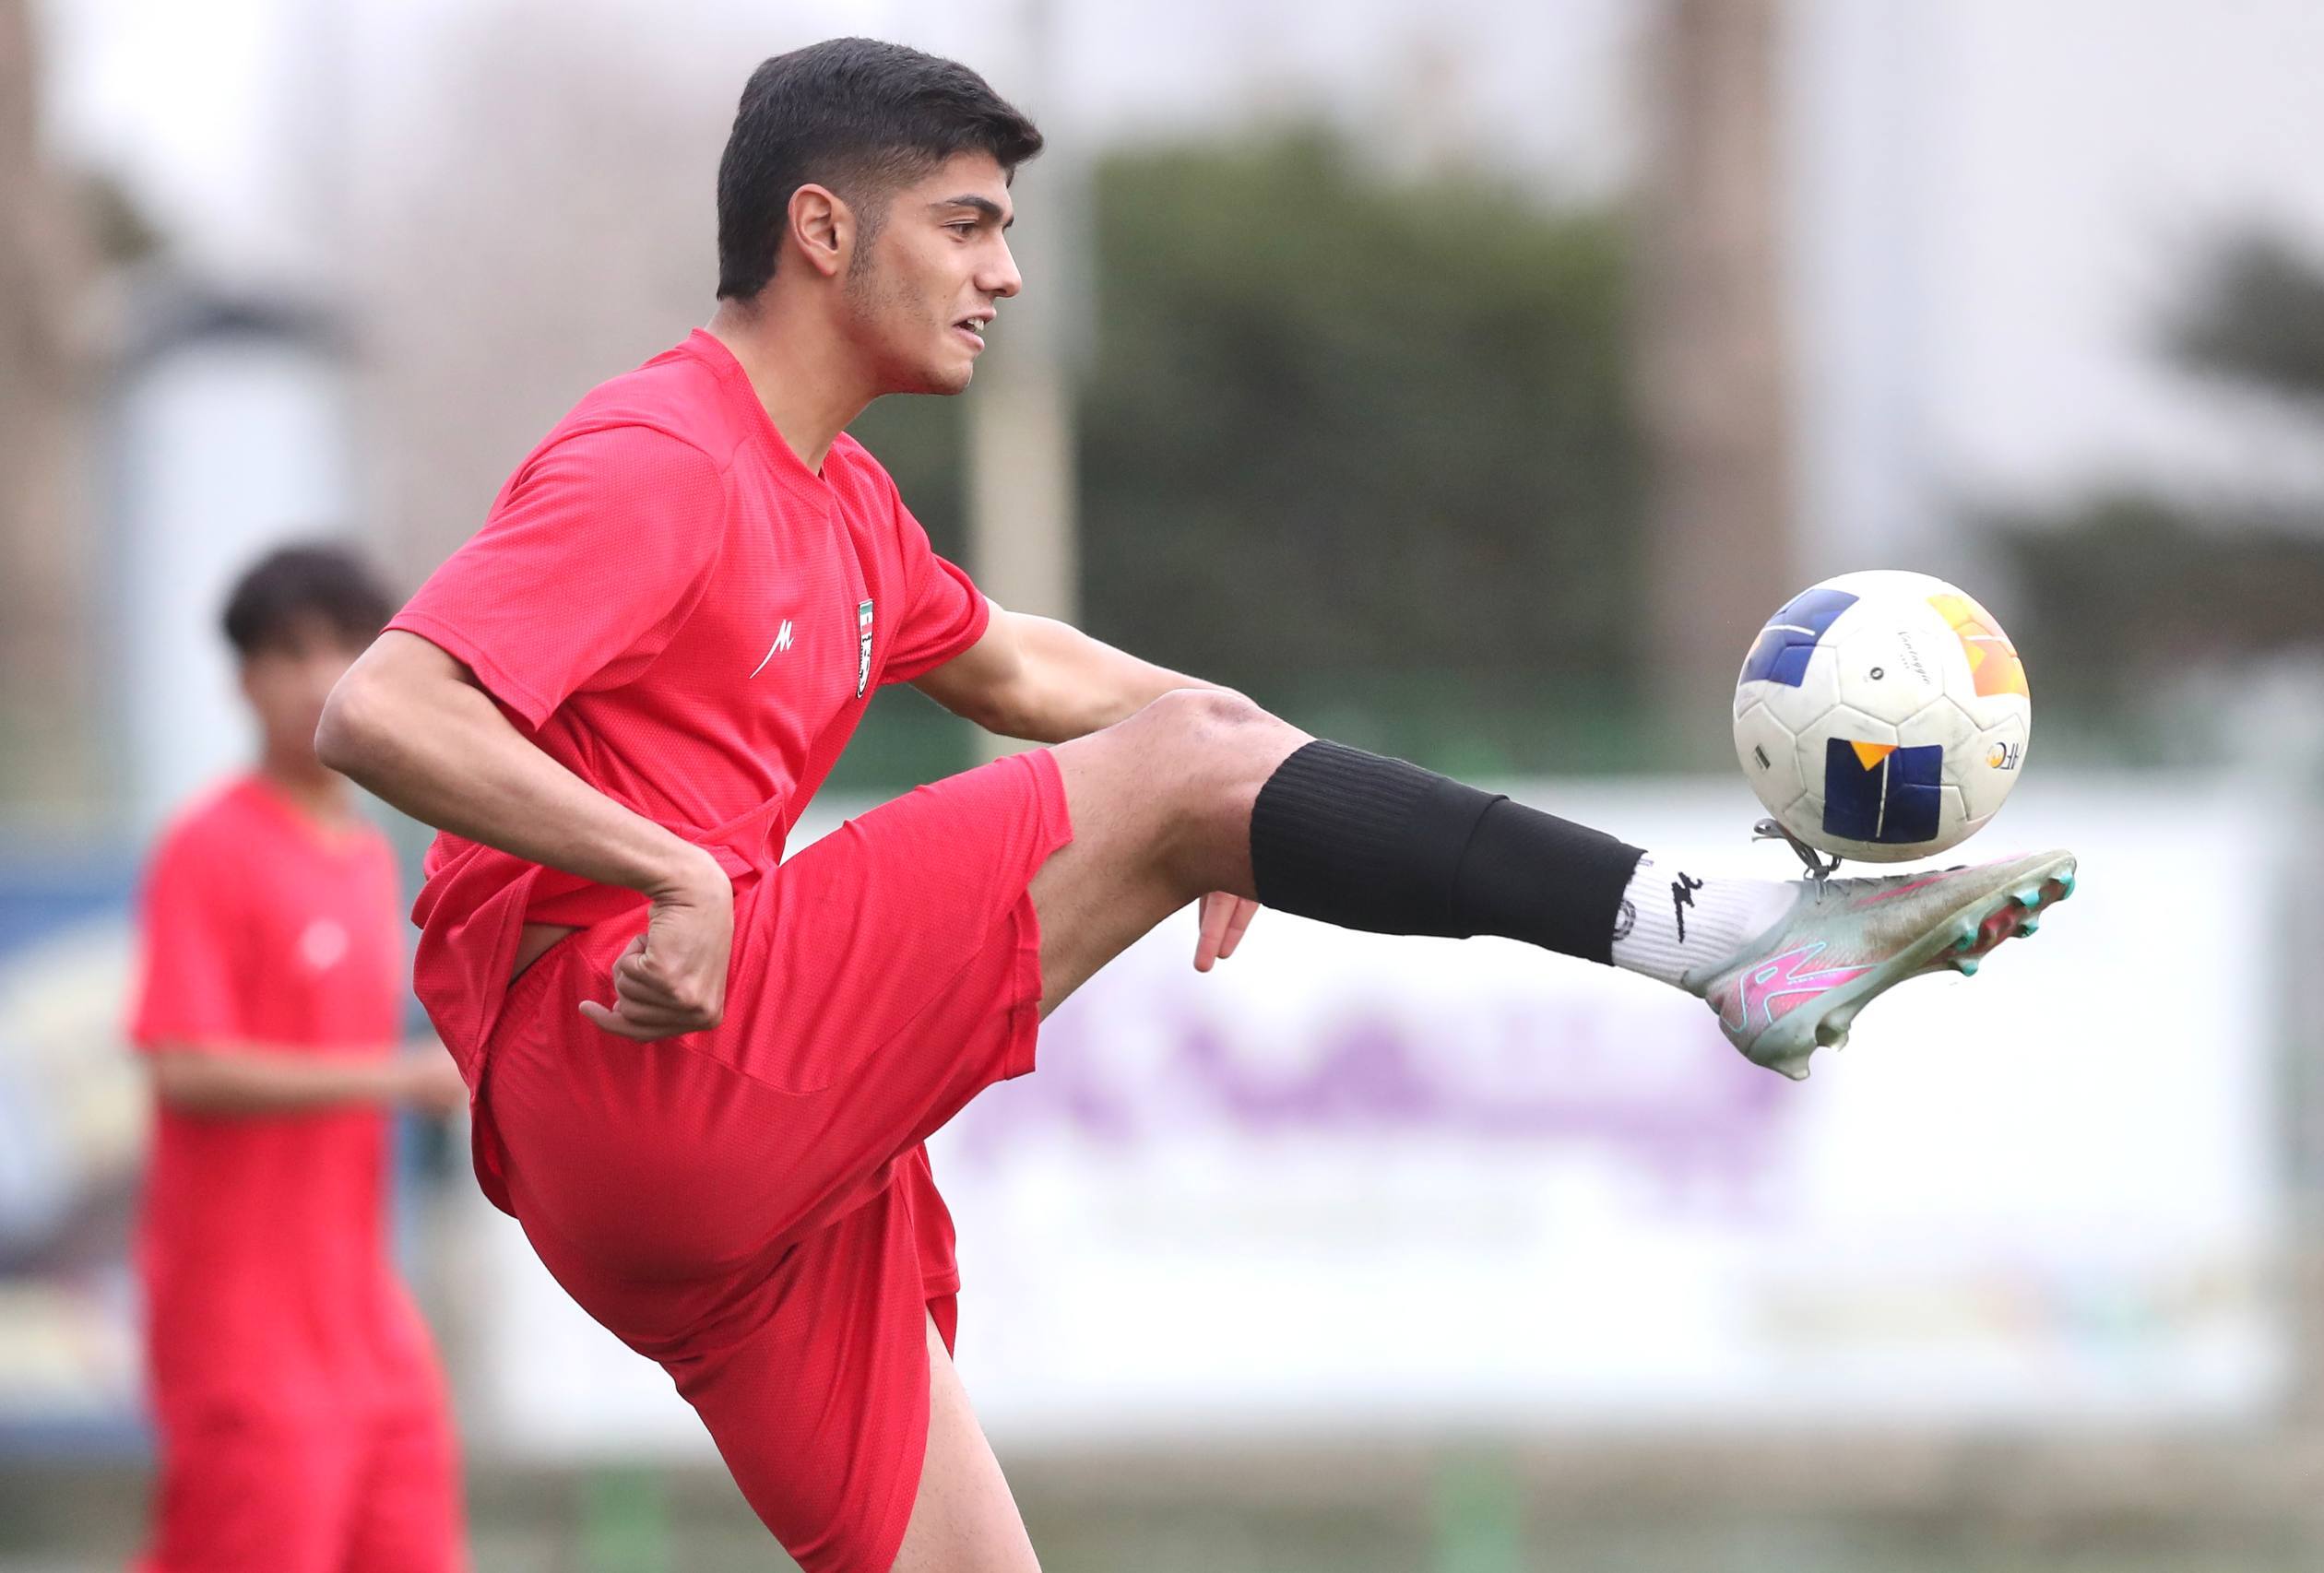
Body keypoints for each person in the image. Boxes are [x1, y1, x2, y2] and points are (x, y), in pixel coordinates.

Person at [314, 37, 2075, 1573]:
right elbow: (383, 707)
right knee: (1187, 761)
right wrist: (675, 871)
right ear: (822, 230)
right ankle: (1727, 938)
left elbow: (1016, 666)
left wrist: (1254, 773)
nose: (1006, 271)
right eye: (968, 224)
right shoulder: (661, 458)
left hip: (703, 1191)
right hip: (634, 1056)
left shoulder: (840, 505)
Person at [127, 545, 468, 1572]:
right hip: (246, 1333)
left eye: (346, 648)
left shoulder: (366, 856)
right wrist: (397, 1078)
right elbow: (182, 1064)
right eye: (290, 653)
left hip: (366, 1321)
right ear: (243, 680)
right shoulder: (209, 845)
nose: (321, 678)